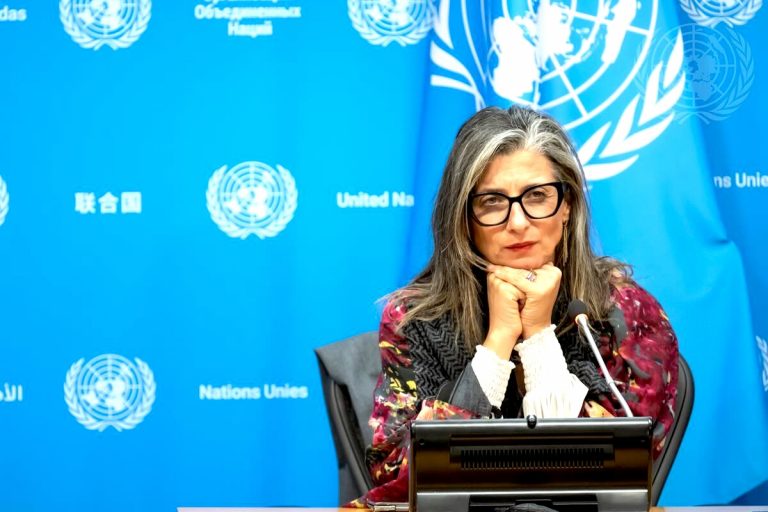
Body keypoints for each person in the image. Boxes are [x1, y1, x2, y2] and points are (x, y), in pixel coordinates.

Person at [348, 106, 679, 508]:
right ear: (464, 218)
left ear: (567, 205)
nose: (518, 222)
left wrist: (539, 338)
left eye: (537, 196)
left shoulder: (622, 310)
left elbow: (625, 470)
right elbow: (398, 479)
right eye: (492, 201)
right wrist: (497, 344)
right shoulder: (414, 321)